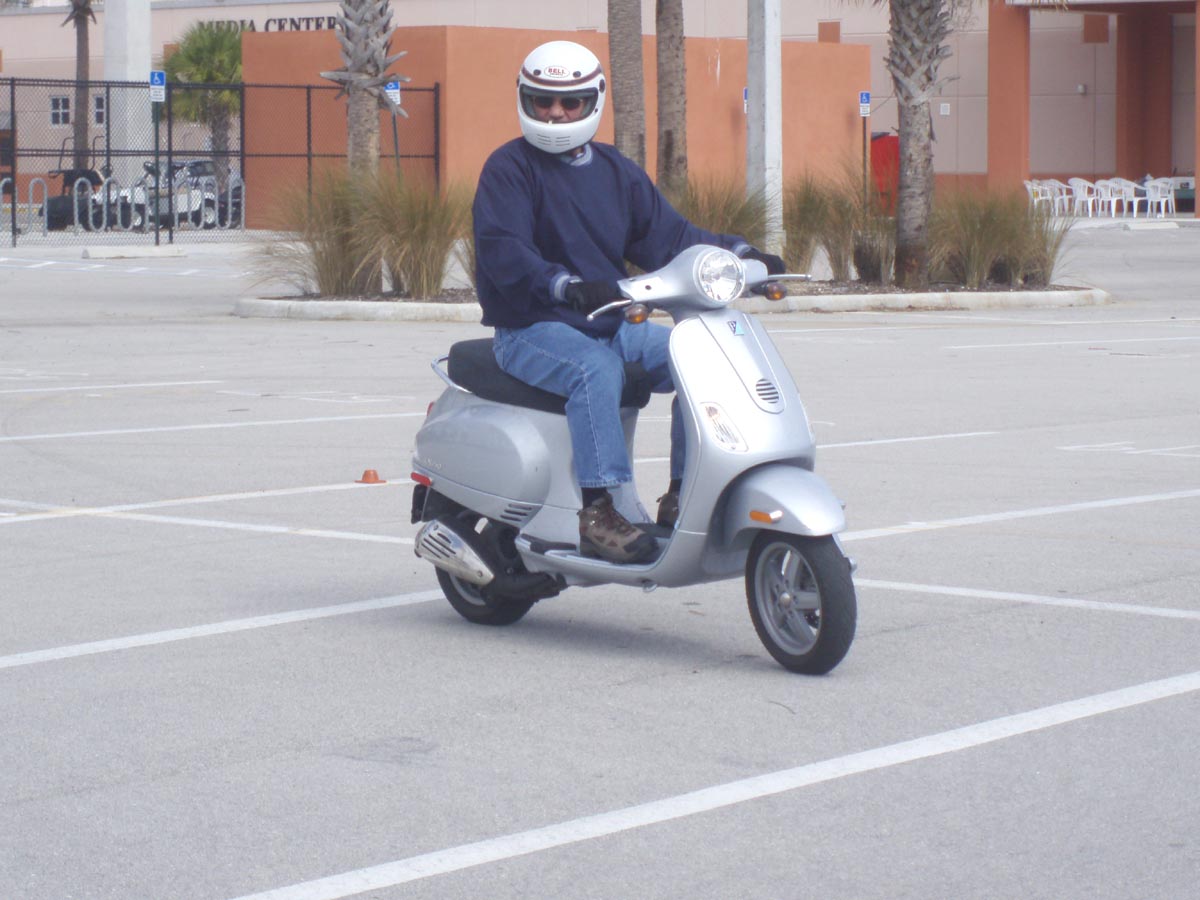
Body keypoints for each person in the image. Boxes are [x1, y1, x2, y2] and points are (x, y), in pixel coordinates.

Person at [472, 40, 784, 565]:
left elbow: (671, 237)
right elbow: (505, 250)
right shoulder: (509, 169)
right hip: (529, 328)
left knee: (702, 357)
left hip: (608, 322)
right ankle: (599, 512)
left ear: (593, 100)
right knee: (595, 370)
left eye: (569, 102)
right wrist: (565, 285)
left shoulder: (615, 171)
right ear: (524, 99)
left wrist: (739, 253)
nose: (555, 113)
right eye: (543, 100)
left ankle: (684, 493)